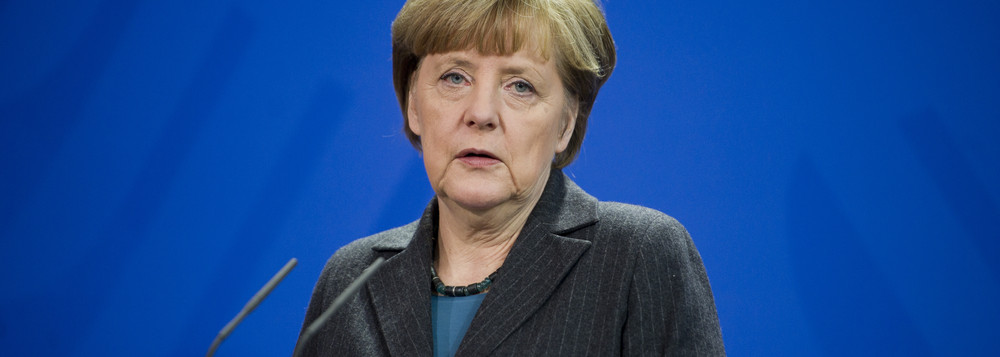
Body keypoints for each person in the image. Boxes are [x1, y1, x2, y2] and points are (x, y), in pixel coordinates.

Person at [298, 0, 725, 355]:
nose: (481, 113)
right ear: (413, 104)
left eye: (520, 86)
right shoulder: (350, 280)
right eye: (454, 77)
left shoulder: (637, 257)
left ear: (565, 123)